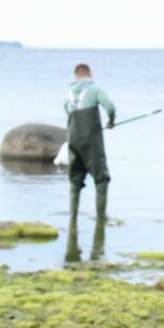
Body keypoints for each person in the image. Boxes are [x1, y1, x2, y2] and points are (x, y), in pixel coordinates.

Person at [65, 61, 116, 222]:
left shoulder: (69, 93)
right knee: (101, 179)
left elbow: (67, 111)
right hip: (92, 141)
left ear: (76, 75)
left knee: (75, 179)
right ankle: (101, 218)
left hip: (73, 139)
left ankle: (73, 219)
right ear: (90, 74)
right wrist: (111, 121)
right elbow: (110, 107)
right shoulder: (95, 89)